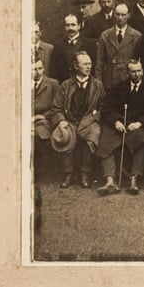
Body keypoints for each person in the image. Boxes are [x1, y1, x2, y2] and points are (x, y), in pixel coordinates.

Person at [94, 60, 144, 196]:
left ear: (143, 71)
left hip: (137, 126)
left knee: (142, 140)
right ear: (127, 73)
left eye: (139, 71)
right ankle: (109, 181)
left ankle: (134, 180)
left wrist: (140, 123)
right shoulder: (118, 88)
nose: (136, 74)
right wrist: (116, 121)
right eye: (133, 71)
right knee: (106, 141)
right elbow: (107, 108)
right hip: (119, 125)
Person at [46, 51, 105, 189]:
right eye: (85, 64)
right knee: (65, 133)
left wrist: (94, 118)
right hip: (70, 120)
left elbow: (103, 106)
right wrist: (61, 120)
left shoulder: (98, 85)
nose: (88, 67)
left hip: (89, 121)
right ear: (76, 66)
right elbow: (56, 107)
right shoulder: (66, 85)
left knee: (93, 134)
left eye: (90, 64)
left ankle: (85, 173)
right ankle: (68, 173)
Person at [95, 3, 142, 89]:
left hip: (128, 79)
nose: (120, 18)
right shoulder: (105, 35)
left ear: (129, 16)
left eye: (123, 15)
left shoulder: (137, 36)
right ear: (114, 15)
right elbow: (99, 62)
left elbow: (140, 61)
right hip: (109, 80)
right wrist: (99, 82)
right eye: (117, 14)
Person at [50, 13, 96, 82]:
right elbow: (54, 70)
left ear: (79, 26)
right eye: (67, 25)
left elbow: (93, 68)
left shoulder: (89, 44)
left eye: (73, 25)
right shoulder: (58, 45)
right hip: (64, 85)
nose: (70, 28)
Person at [32, 57, 59, 169]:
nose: (38, 72)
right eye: (34, 69)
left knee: (33, 136)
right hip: (26, 120)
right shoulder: (24, 83)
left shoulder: (52, 83)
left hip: (45, 121)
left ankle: (37, 170)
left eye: (40, 68)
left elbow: (57, 107)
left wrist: (41, 116)